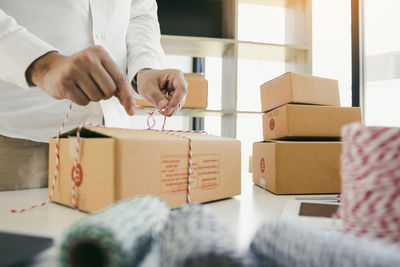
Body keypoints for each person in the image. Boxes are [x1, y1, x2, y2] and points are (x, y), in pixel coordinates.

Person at [0, 0, 188, 191]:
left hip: (111, 140)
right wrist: (42, 66)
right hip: (18, 139)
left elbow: (139, 12)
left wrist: (145, 67)